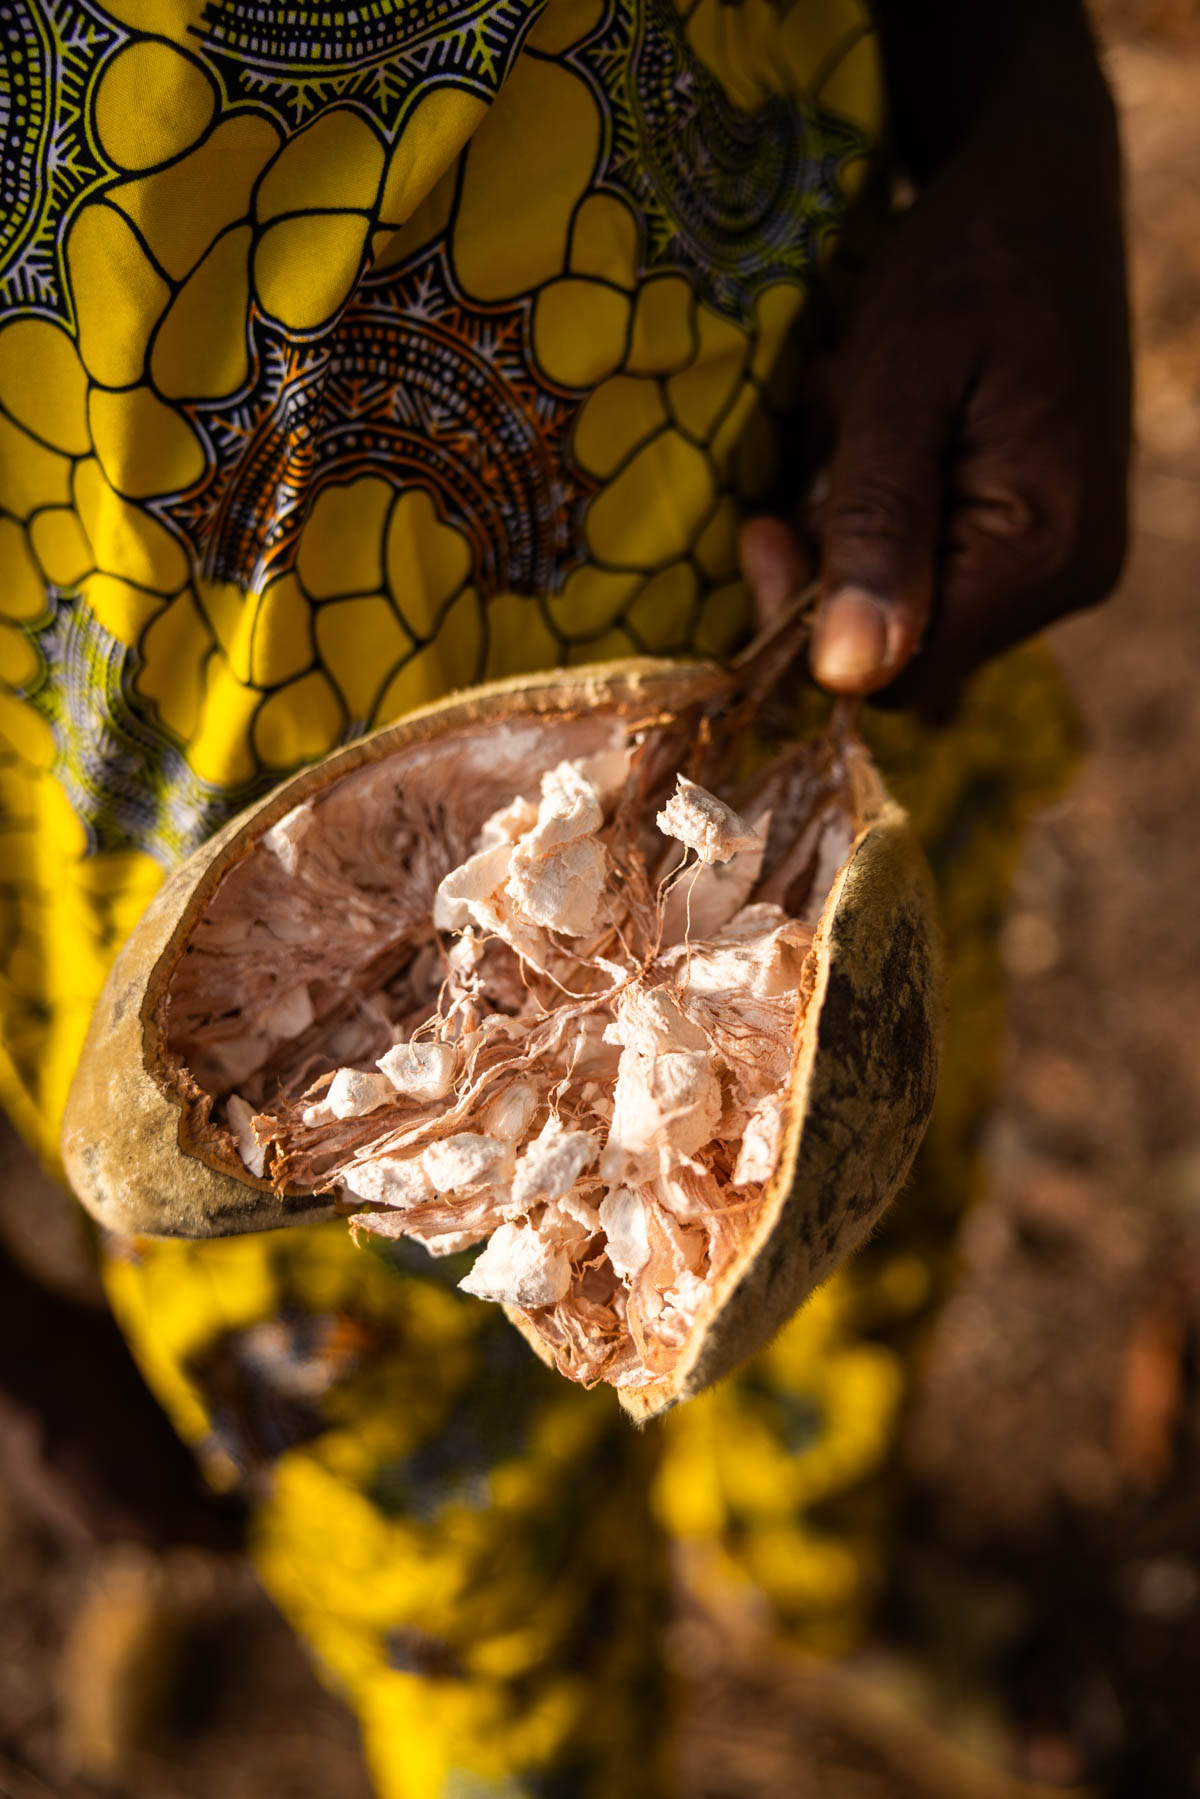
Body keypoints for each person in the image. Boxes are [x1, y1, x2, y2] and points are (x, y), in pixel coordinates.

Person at [0, 1, 1129, 1793]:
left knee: (864, 1229)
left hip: (788, 523)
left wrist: (1018, 98)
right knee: (460, 1593)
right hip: (160, 832)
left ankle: (810, 1577)